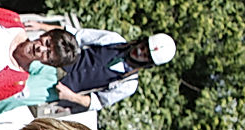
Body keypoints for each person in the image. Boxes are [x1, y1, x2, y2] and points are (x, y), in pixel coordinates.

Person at [25, 23, 177, 113]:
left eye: (145, 55)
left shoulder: (129, 84)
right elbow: (75, 35)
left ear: (148, 63)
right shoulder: (114, 40)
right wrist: (41, 26)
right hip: (49, 65)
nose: (139, 51)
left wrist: (70, 96)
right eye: (143, 47)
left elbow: (98, 102)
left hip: (58, 92)